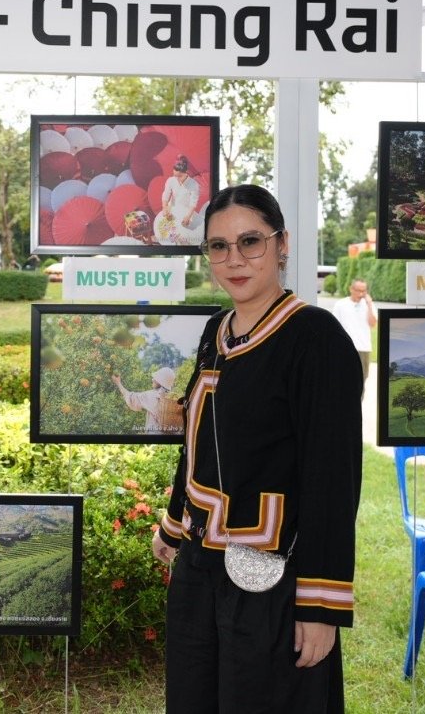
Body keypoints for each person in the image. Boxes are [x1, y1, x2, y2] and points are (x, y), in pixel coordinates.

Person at [152, 184, 363, 712]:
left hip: (273, 579)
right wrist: (174, 526)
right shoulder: (215, 331)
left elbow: (333, 479)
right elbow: (197, 441)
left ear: (281, 244)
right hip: (200, 570)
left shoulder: (315, 338)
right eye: (218, 246)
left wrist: (320, 605)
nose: (234, 259)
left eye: (250, 242)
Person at [330, 278, 376, 384]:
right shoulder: (341, 304)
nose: (361, 294)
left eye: (363, 291)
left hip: (363, 348)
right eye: (358, 290)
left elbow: (373, 324)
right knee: (344, 378)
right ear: (351, 289)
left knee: (362, 379)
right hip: (345, 348)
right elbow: (334, 327)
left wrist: (369, 304)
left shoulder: (369, 304)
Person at [155, 155, 204, 245]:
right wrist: (165, 207)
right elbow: (166, 195)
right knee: (165, 231)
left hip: (186, 212)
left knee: (190, 236)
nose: (177, 179)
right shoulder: (171, 180)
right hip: (172, 210)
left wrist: (188, 217)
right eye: (175, 176)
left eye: (180, 176)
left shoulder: (194, 184)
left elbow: (193, 203)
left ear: (186, 173)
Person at [111, 366, 177, 434]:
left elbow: (131, 398)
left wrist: (118, 383)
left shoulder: (152, 395)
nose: (152, 379)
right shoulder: (172, 399)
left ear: (160, 382)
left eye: (156, 378)